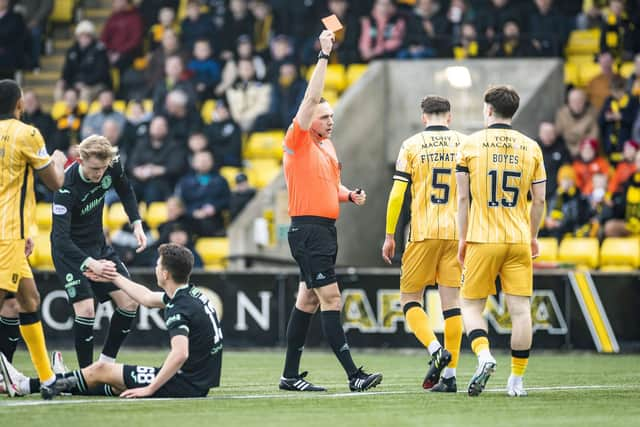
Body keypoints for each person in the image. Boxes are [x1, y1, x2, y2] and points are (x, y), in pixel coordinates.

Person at [279, 30, 382, 393]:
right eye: (323, 117)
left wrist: (347, 195)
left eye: (331, 116)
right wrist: (324, 55)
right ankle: (354, 375)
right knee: (332, 298)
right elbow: (309, 97)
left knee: (307, 299)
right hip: (309, 231)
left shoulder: (327, 147)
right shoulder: (297, 139)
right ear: (310, 120)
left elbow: (326, 187)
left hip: (322, 230)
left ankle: (290, 375)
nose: (329, 121)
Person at [1, 243, 223, 398]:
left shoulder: (179, 307)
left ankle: (23, 384)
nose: (156, 268)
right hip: (196, 381)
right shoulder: (192, 294)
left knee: (103, 369)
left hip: (185, 383)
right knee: (112, 381)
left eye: (158, 265)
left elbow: (180, 353)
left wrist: (151, 388)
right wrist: (114, 277)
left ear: (165, 274)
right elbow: (146, 297)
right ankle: (62, 381)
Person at [456, 85, 546, 397]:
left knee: (469, 305)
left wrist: (462, 240)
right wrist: (533, 236)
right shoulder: (531, 147)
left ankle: (483, 355)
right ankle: (516, 382)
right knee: (521, 311)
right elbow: (539, 201)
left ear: (489, 110)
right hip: (519, 239)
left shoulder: (470, 145)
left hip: (483, 238)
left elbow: (463, 198)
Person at [382, 95, 464, 393]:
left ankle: (435, 350)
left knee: (410, 300)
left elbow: (396, 195)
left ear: (424, 117)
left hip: (423, 232)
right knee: (452, 306)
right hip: (456, 234)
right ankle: (451, 376)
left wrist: (390, 234)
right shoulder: (464, 144)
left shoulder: (412, 145)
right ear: (450, 117)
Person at [51, 135, 146, 369]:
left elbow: (125, 189)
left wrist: (136, 222)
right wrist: (89, 263)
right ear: (81, 159)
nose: (99, 174)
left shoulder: (111, 165)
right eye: (94, 168)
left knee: (130, 303)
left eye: (103, 168)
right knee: (86, 309)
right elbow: (61, 240)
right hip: (70, 253)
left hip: (98, 246)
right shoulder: (65, 185)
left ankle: (104, 364)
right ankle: (86, 374)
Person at [0, 79, 69, 399]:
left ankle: (47, 379)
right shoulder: (26, 134)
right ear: (20, 105)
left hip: (15, 233)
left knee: (28, 299)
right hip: (6, 234)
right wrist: (58, 158)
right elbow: (55, 182)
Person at [56, 20, 111, 103]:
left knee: (85, 93)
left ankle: (83, 115)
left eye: (87, 36)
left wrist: (85, 83)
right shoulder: (72, 50)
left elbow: (101, 73)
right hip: (75, 84)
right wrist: (63, 80)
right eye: (81, 36)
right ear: (77, 37)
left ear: (92, 36)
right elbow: (67, 70)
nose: (84, 38)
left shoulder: (99, 50)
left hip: (96, 85)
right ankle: (62, 114)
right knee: (58, 92)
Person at [555, 88, 600, 158]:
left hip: (587, 153)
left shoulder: (593, 114)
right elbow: (559, 136)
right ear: (568, 103)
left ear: (585, 101)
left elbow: (593, 137)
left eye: (580, 101)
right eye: (573, 101)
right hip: (567, 153)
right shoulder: (562, 114)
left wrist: (579, 147)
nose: (576, 104)